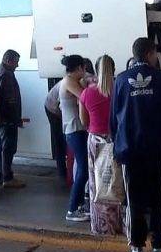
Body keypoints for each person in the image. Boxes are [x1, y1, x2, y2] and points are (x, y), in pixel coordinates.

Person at [110, 37, 161, 252]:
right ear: (150, 54)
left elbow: (114, 120)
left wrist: (118, 146)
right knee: (159, 199)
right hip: (156, 150)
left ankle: (137, 250)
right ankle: (159, 247)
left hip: (129, 151)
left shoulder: (120, 80)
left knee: (134, 200)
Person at [60, 54, 90, 222]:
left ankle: (78, 205)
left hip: (77, 129)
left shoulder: (72, 80)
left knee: (84, 168)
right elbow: (85, 96)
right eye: (84, 68)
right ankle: (72, 209)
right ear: (79, 68)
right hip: (74, 130)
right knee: (83, 169)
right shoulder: (69, 81)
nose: (85, 71)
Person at [80, 55, 114, 204]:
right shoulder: (119, 90)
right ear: (114, 69)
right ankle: (119, 219)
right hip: (116, 140)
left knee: (96, 179)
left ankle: (99, 222)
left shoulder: (87, 93)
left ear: (94, 70)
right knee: (116, 180)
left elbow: (84, 121)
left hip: (95, 140)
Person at [0, 50, 26, 188]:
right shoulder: (6, 75)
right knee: (8, 148)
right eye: (16, 62)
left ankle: (0, 176)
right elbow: (10, 100)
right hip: (7, 119)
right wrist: (15, 119)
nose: (17, 65)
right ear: (8, 60)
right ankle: (7, 178)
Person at [45, 80, 68, 179]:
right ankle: (62, 172)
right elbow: (61, 107)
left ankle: (63, 170)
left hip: (55, 106)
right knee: (59, 139)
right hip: (52, 109)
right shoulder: (68, 83)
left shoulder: (82, 79)